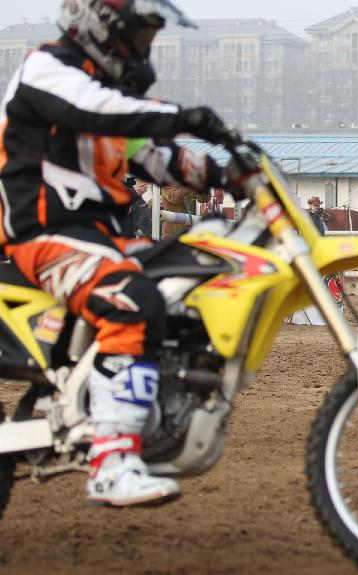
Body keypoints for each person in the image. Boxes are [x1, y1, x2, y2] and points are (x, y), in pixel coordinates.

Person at [0, 0, 232, 506]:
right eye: (138, 36)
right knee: (132, 301)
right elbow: (99, 109)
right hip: (45, 235)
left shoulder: (104, 97)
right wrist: (183, 116)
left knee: (185, 274)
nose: (143, 50)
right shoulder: (49, 69)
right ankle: (111, 463)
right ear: (101, 28)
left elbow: (152, 156)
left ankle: (145, 399)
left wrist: (228, 171)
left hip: (97, 235)